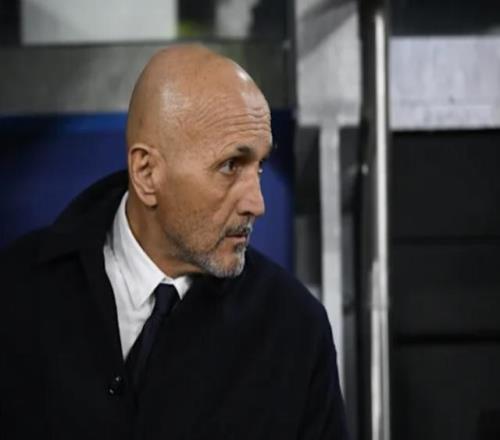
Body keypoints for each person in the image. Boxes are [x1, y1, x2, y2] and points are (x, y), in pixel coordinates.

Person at [0, 44, 348, 439]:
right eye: (230, 165)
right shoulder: (16, 293)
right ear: (147, 173)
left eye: (260, 166)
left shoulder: (295, 329)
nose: (257, 203)